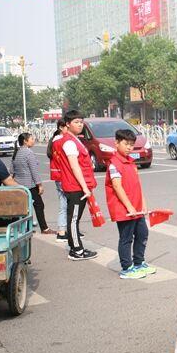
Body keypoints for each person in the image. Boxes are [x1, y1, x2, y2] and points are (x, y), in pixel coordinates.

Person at [105, 129, 156, 280]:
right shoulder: (114, 163)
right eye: (126, 144)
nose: (129, 147)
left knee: (142, 233)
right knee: (126, 238)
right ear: (116, 143)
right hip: (124, 209)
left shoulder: (131, 162)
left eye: (131, 145)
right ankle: (127, 268)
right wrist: (129, 207)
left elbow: (137, 185)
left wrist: (143, 204)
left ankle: (139, 263)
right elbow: (117, 187)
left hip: (136, 207)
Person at [52, 110, 98, 261]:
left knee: (74, 218)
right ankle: (77, 250)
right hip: (75, 187)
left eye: (81, 122)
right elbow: (74, 166)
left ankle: (75, 246)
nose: (80, 124)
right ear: (67, 124)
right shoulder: (69, 142)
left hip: (77, 185)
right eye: (76, 122)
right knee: (73, 219)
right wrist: (85, 187)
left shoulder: (73, 139)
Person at [11, 132, 55, 234]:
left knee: (22, 206)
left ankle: (20, 227)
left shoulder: (16, 152)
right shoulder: (28, 153)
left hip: (18, 185)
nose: (33, 140)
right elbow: (33, 171)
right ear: (25, 141)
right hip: (29, 185)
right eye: (31, 139)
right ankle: (44, 228)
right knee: (39, 205)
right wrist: (39, 185)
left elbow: (11, 171)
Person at [47, 120, 69, 242]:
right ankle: (63, 231)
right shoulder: (60, 141)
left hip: (58, 176)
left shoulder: (54, 140)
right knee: (66, 205)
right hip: (62, 176)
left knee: (64, 203)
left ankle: (64, 230)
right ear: (61, 127)